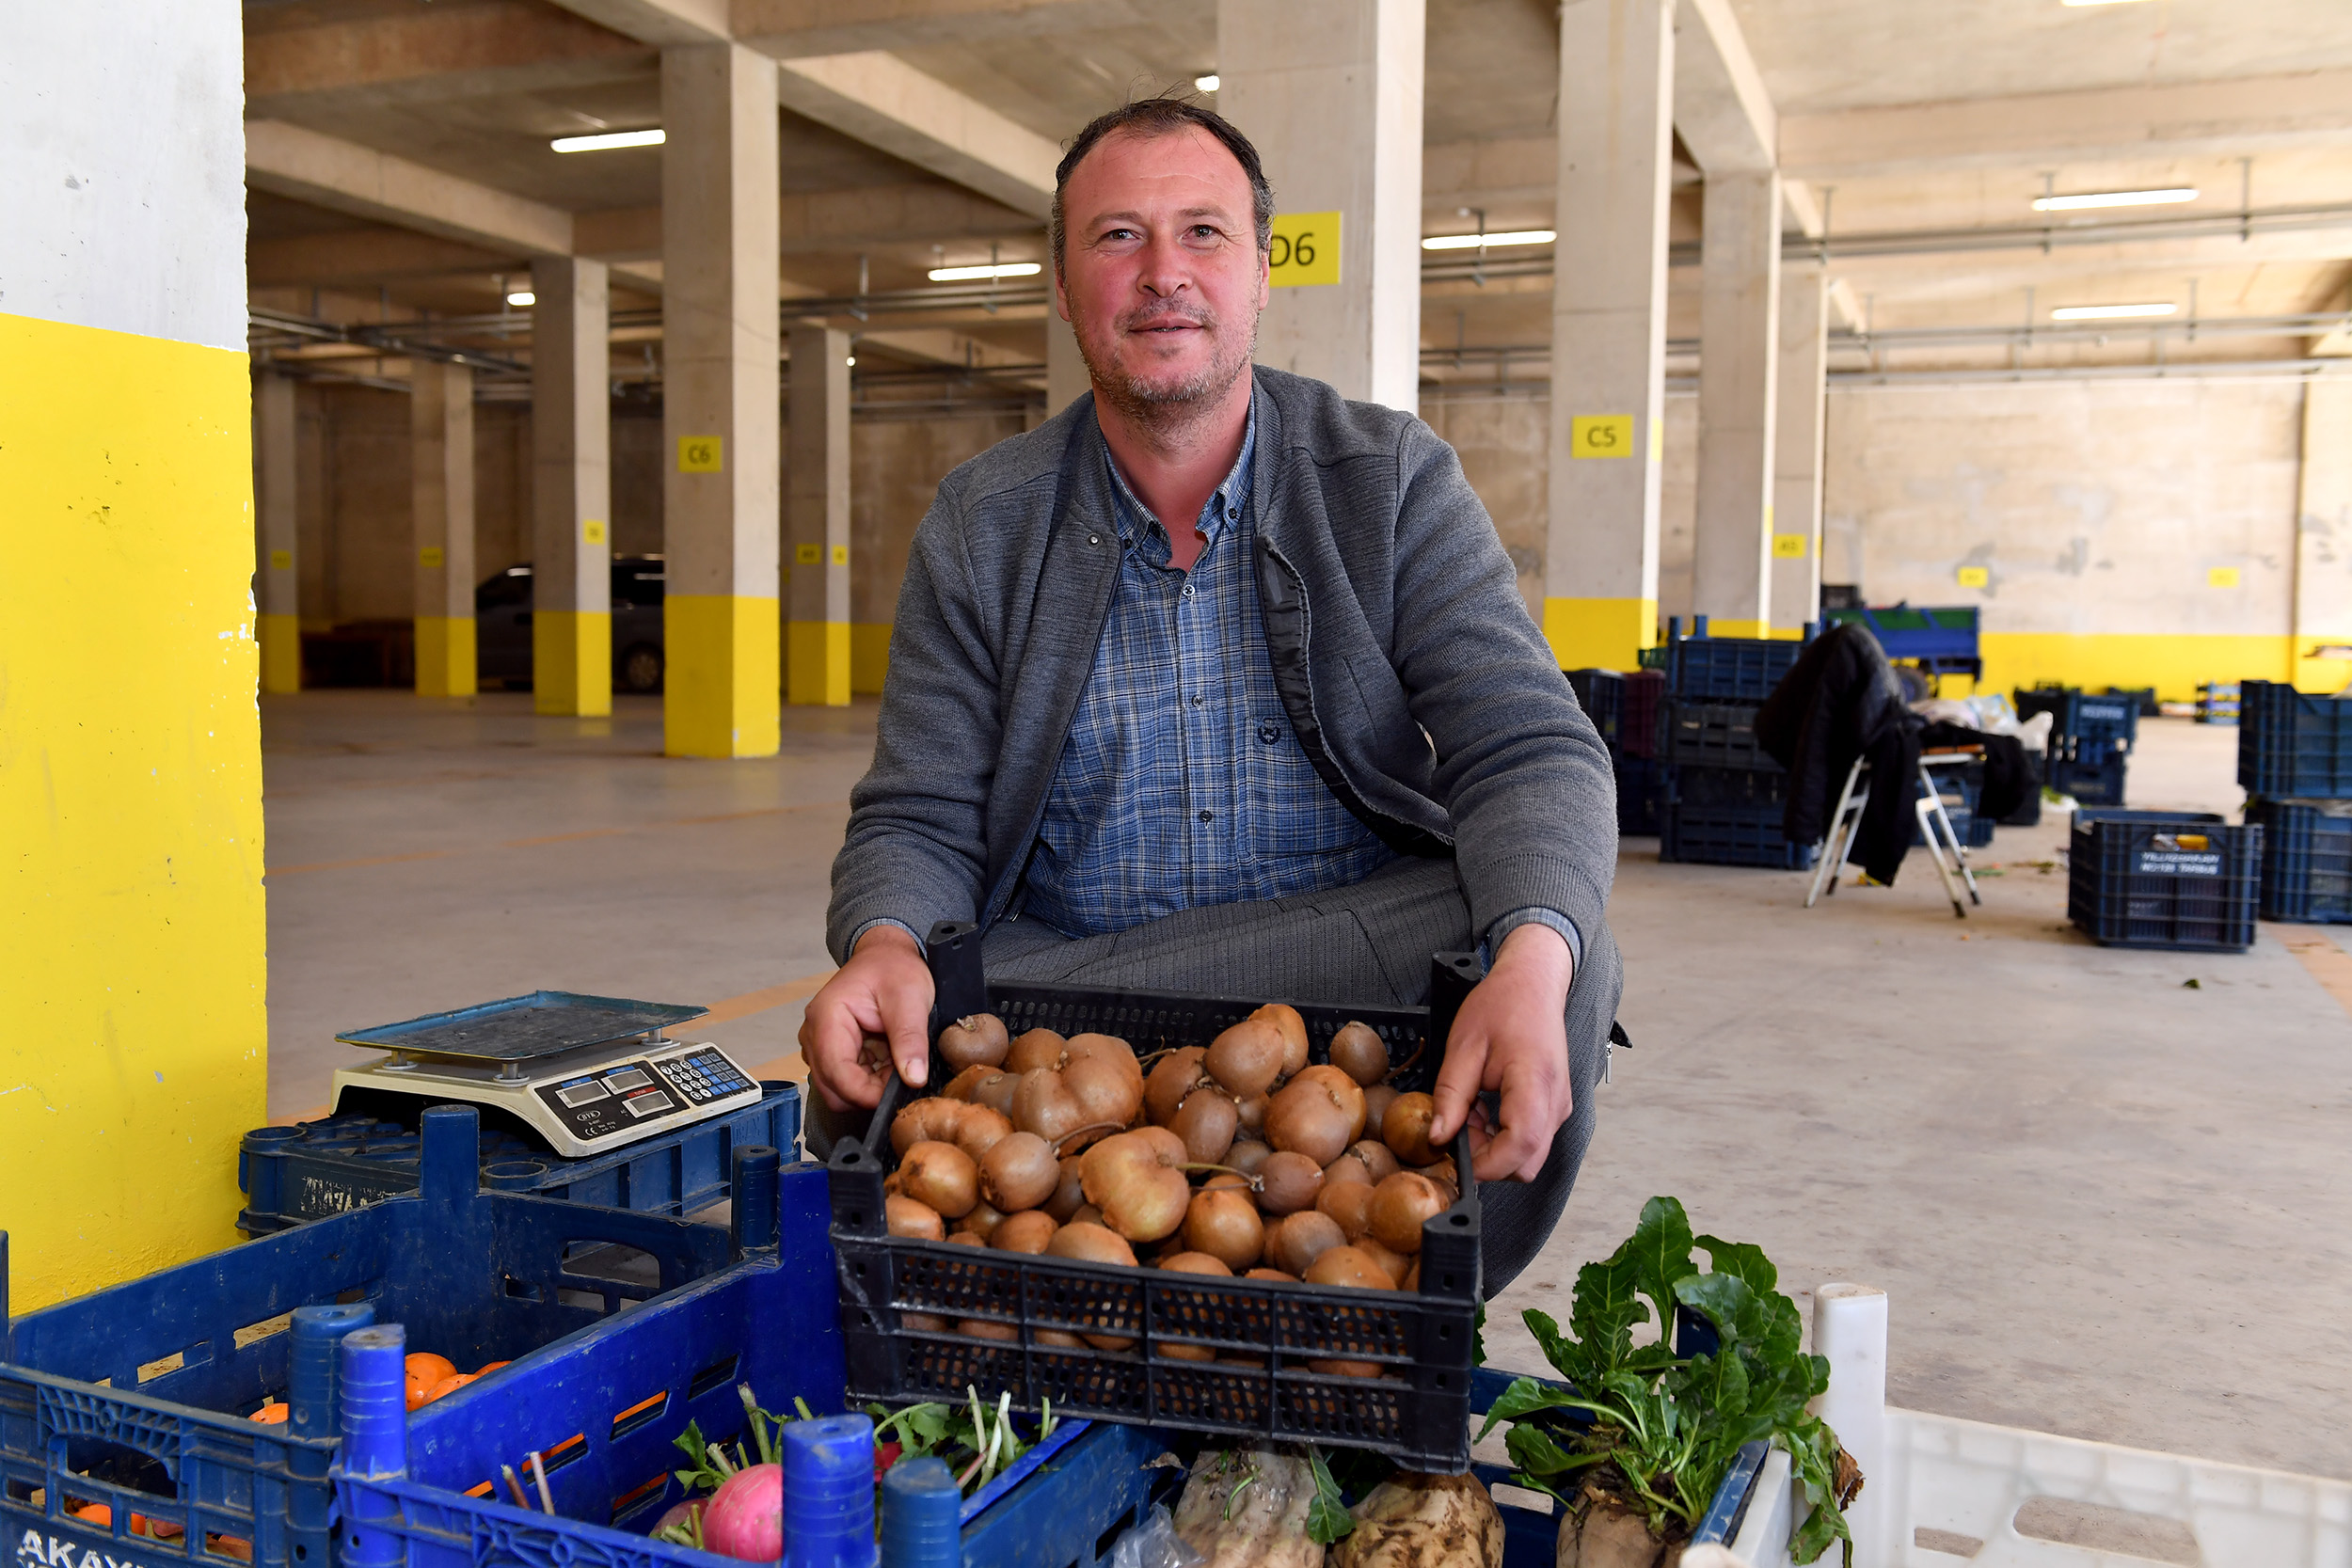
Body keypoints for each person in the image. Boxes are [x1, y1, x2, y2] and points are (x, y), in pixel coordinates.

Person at [798, 96, 1621, 1291]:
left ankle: (1391, 1320)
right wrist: (881, 940)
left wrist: (1531, 960)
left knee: (1556, 948)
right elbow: (917, 810)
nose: (1163, 274)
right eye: (1118, 237)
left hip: (1337, 970)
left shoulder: (1385, 477)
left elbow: (1528, 747)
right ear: (1066, 283)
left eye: (1202, 233)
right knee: (880, 1043)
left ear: (1260, 271)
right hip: (1073, 983)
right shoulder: (985, 521)